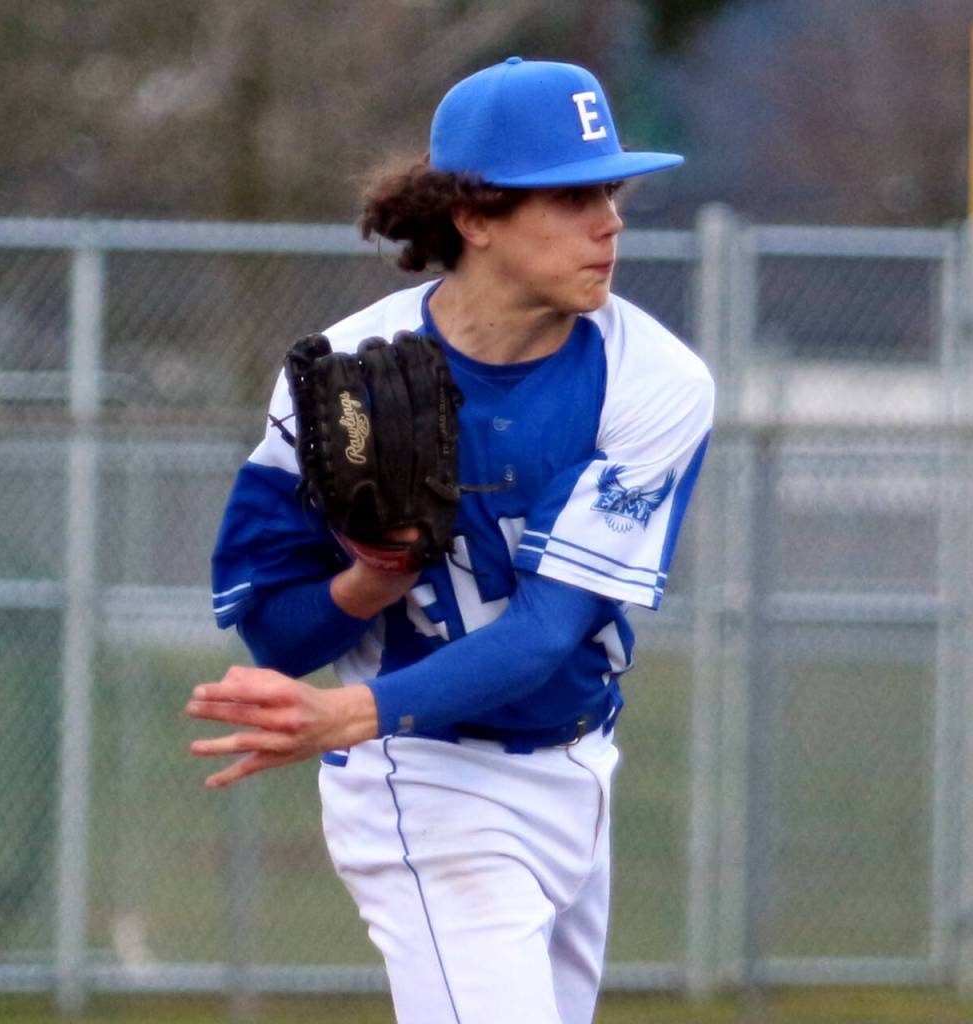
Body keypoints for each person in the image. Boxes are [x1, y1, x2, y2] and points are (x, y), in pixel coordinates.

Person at [188, 56, 714, 1024]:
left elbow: (549, 631)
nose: (610, 220)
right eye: (570, 194)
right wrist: (370, 581)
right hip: (421, 772)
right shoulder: (340, 376)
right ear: (474, 217)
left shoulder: (653, 381)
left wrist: (336, 717)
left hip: (576, 767)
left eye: (611, 189)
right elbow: (279, 637)